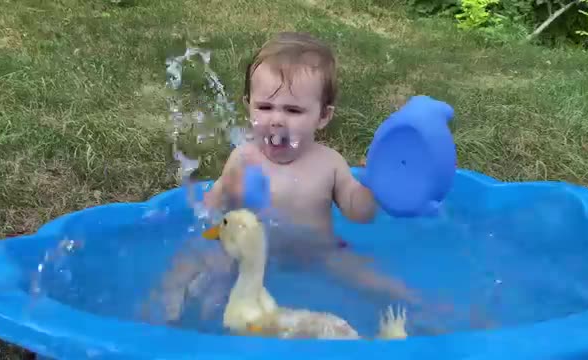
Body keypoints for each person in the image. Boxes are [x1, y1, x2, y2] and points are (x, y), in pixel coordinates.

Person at [149, 32, 420, 324]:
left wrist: (373, 185)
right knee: (199, 267)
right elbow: (212, 206)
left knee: (376, 282)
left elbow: (359, 213)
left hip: (320, 254)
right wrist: (207, 222)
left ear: (323, 116)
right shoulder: (243, 158)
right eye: (264, 107)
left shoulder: (329, 164)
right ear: (248, 105)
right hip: (250, 256)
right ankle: (167, 310)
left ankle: (422, 312)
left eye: (293, 110)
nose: (276, 119)